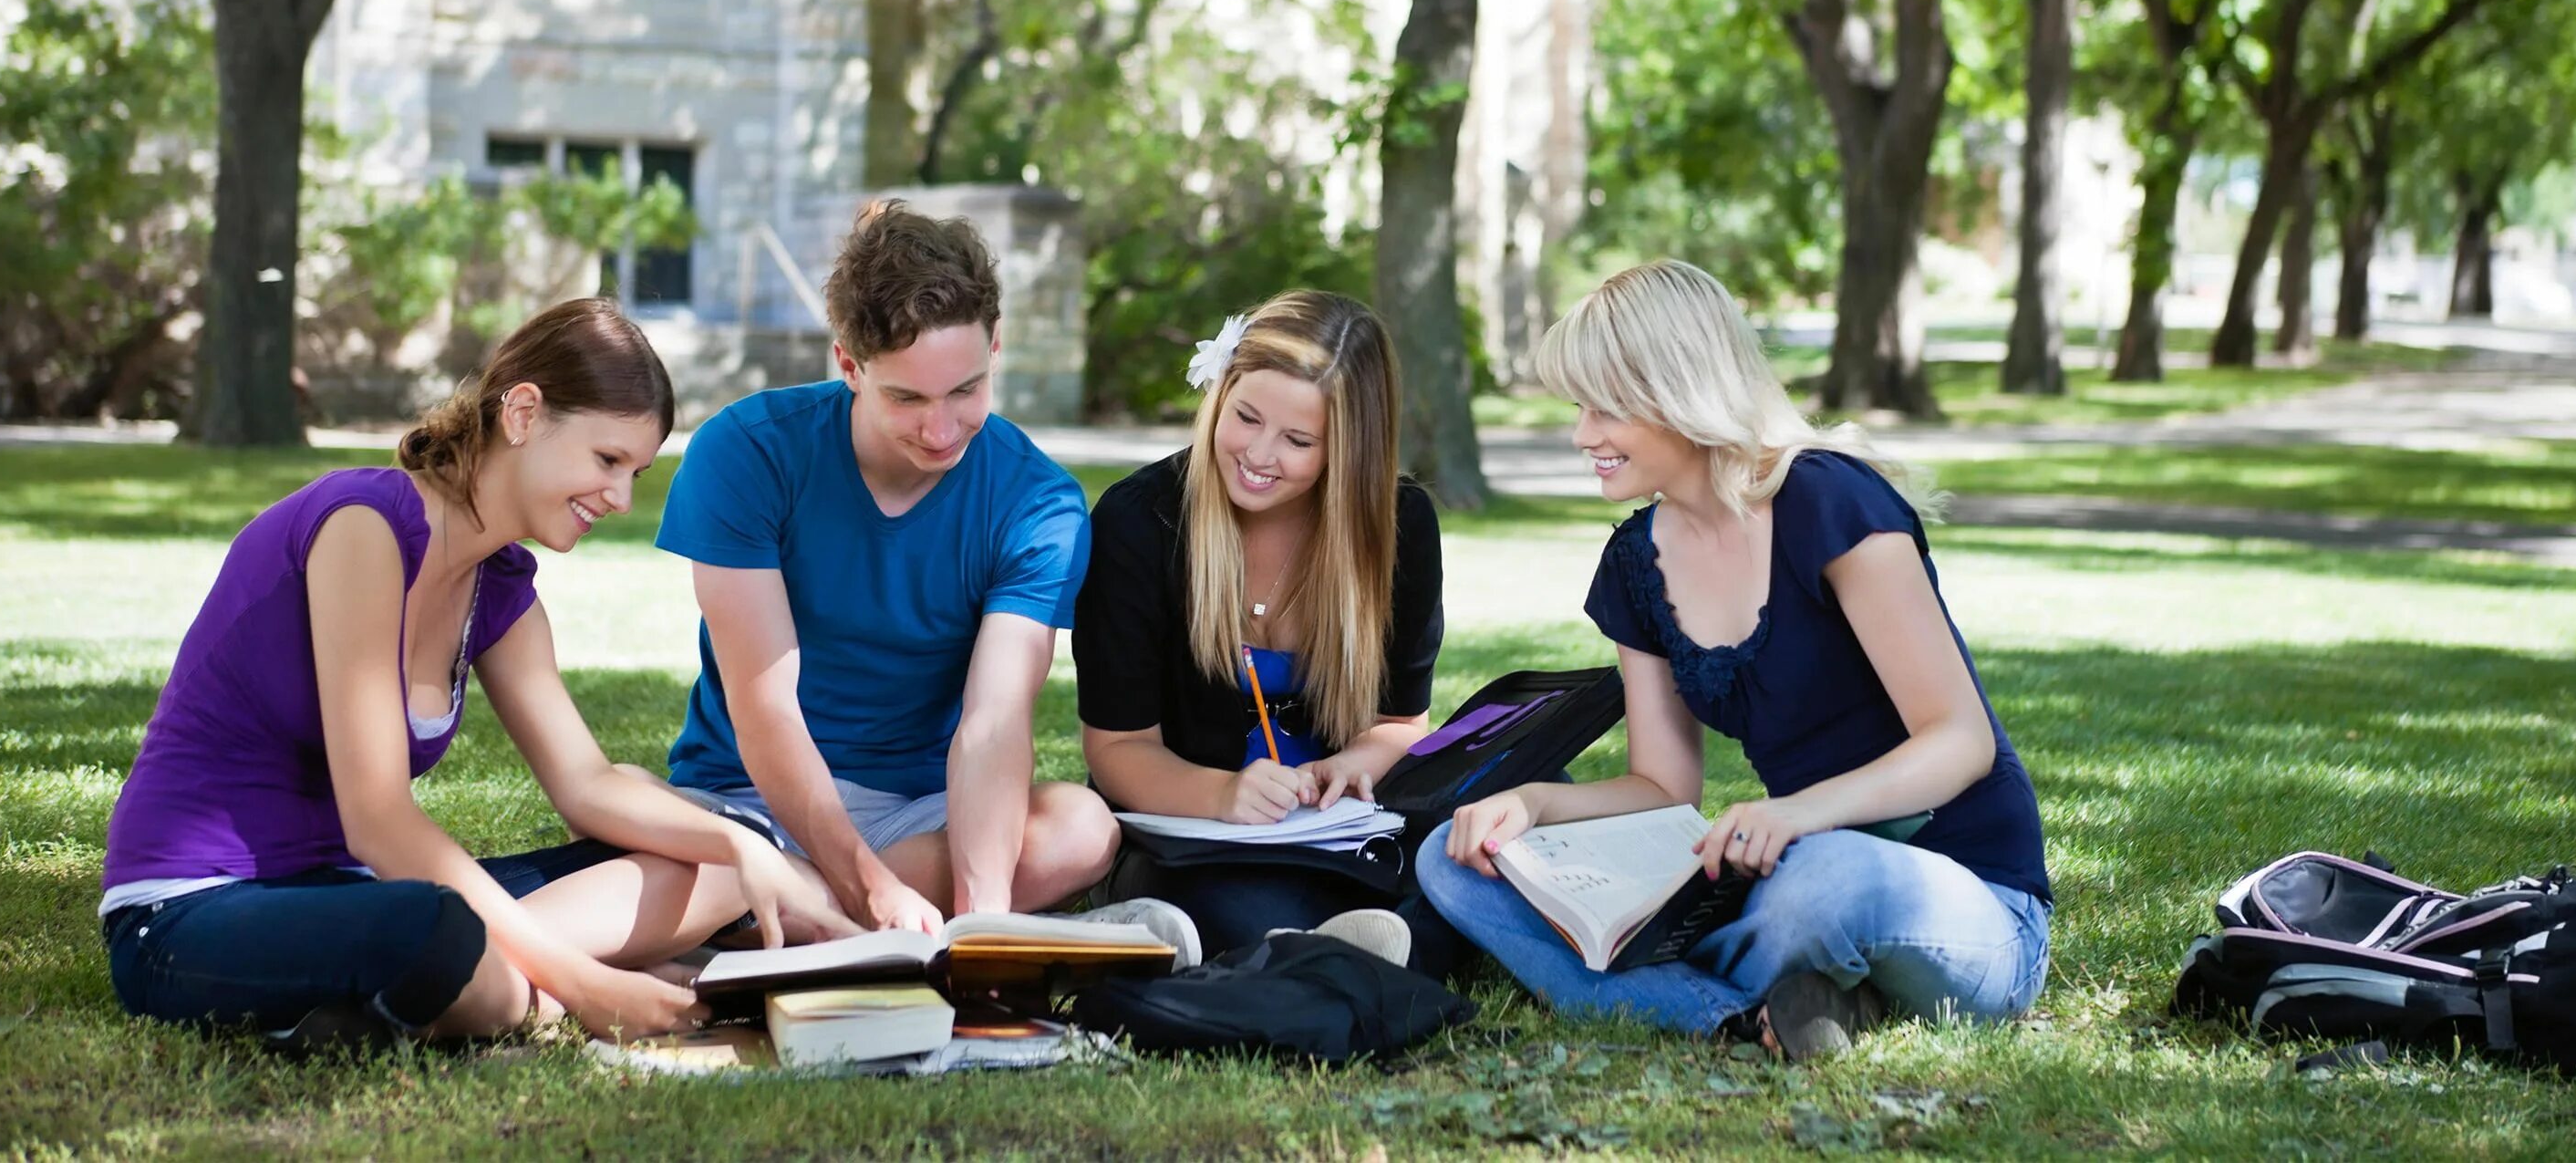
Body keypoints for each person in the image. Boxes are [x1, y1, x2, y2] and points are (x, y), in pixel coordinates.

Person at [100, 299, 847, 1051]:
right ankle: (530, 985)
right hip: (192, 908)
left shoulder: (502, 590)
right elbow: (379, 820)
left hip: (351, 895)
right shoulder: (363, 526)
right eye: (607, 460)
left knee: (706, 866)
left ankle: (427, 999)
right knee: (444, 937)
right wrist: (586, 985)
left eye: (637, 471)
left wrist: (741, 846)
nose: (621, 498)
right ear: (523, 412)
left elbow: (586, 784)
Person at [1417, 262, 2052, 1057]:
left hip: (1961, 896)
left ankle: (1689, 988)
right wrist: (1534, 806)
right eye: (1578, 408)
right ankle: (1759, 1014)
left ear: (1678, 393)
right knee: (1451, 861)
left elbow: (1959, 740)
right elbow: (1662, 787)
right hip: (1784, 874)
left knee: (1828, 882)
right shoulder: (1634, 565)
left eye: (1603, 408)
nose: (1582, 435)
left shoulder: (1830, 502)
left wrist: (1795, 814)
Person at [657, 202, 1129, 938]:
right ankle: (787, 911)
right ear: (848, 363)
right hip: (750, 797)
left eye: (965, 391)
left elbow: (993, 726)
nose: (941, 431)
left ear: (995, 347)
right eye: (906, 397)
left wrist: (984, 926)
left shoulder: (1039, 502)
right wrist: (867, 884)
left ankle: (761, 923)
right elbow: (767, 714)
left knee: (1081, 829)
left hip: (923, 811)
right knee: (688, 863)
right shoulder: (746, 453)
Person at [1072, 291, 1447, 967]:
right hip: (1197, 832)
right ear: (1220, 393)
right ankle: (1336, 944)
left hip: (1338, 831)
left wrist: (1350, 768)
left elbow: (1399, 723)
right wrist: (1223, 794)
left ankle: (1330, 942)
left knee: (1513, 808)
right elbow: (1118, 747)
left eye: (1298, 441)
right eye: (1245, 417)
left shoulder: (1401, 526)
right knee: (1242, 903)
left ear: (1349, 452)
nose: (1258, 454)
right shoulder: (1140, 524)